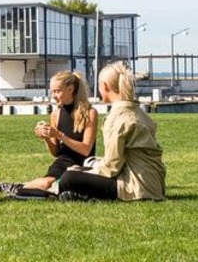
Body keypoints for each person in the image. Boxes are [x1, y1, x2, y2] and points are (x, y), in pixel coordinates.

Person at [55, 61, 166, 202]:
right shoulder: (138, 112)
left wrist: (87, 170)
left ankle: (85, 195)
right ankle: (86, 195)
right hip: (154, 185)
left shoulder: (117, 118)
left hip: (135, 187)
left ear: (105, 86)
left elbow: (112, 167)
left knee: (68, 178)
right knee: (88, 164)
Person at [0, 71, 98, 198]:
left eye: (57, 91)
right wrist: (47, 138)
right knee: (48, 183)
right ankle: (17, 189)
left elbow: (86, 149)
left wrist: (60, 135)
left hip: (83, 164)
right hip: (63, 162)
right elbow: (55, 152)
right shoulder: (56, 114)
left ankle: (18, 189)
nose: (54, 96)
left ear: (70, 89)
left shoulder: (90, 113)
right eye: (52, 91)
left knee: (52, 186)